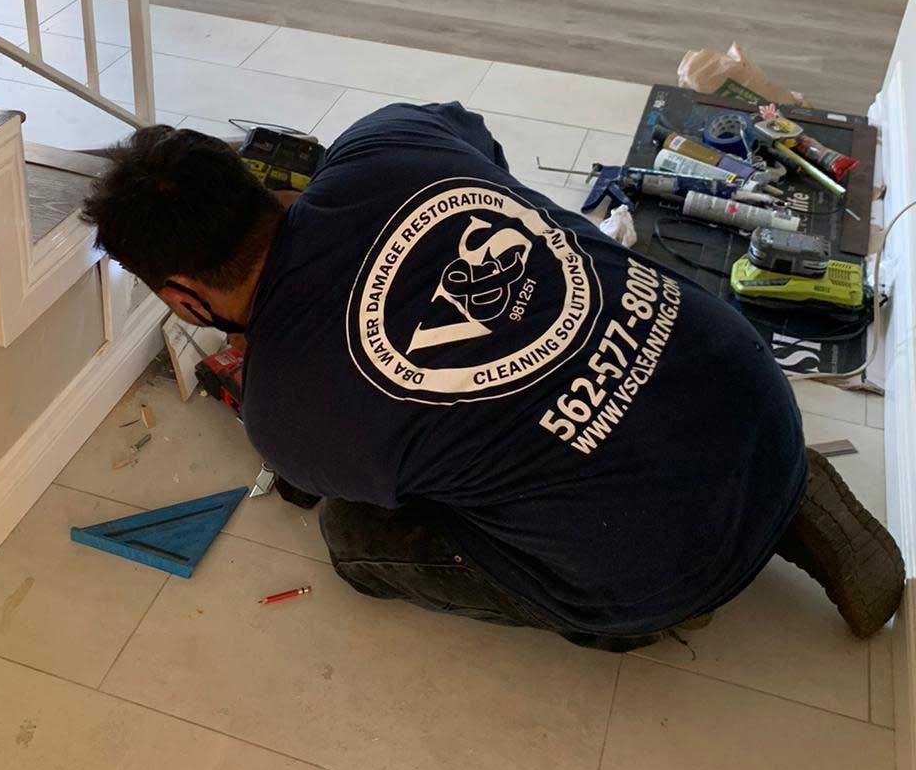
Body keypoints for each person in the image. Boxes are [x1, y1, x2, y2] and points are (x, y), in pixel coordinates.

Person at [83, 103, 903, 648]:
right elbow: (476, 138)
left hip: (656, 575)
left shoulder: (285, 416)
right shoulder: (384, 140)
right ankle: (792, 489)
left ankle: (713, 549)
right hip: (746, 382)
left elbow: (401, 485)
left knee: (353, 537)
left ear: (185, 297)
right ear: (256, 181)